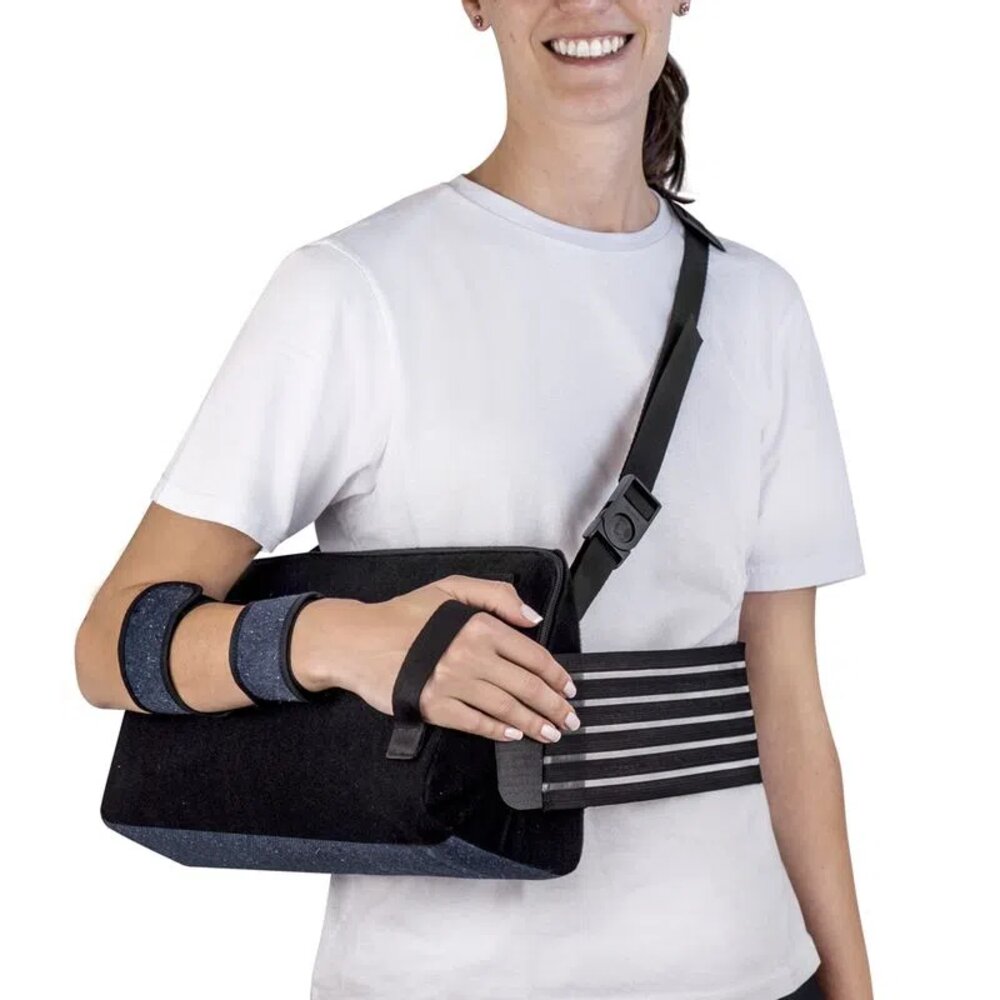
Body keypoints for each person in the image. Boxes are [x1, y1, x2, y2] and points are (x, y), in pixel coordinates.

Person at [75, 2, 874, 998]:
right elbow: (109, 645)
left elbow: (787, 703)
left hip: (752, 971)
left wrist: (852, 983)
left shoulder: (758, 307)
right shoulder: (353, 290)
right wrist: (341, 639)